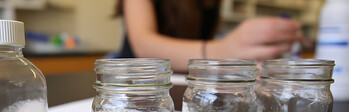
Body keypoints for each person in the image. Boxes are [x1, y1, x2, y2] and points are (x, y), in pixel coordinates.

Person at [114, 0, 304, 73]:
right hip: (131, 79)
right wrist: (223, 52)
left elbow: (204, 42)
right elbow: (143, 45)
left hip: (178, 79)